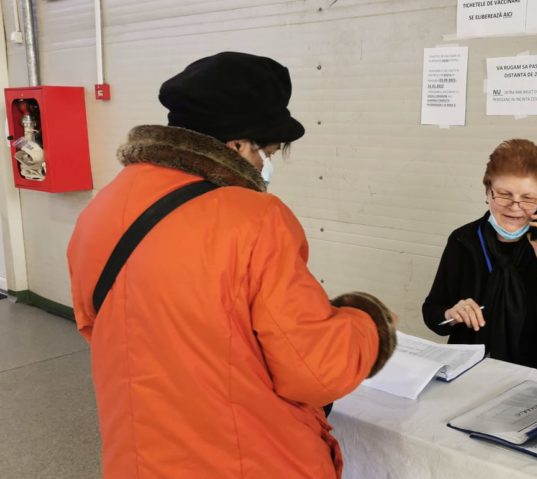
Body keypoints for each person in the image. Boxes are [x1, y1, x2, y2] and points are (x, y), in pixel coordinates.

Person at [67, 52, 397, 479]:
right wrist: (369, 321)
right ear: (238, 145)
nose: (266, 165)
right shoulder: (255, 219)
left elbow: (97, 323)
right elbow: (314, 371)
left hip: (137, 458)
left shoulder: (102, 208)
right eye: (269, 151)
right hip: (246, 460)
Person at [422, 139, 537, 382]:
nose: (515, 207)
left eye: (528, 198)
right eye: (504, 195)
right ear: (488, 192)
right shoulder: (464, 241)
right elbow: (434, 316)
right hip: (477, 375)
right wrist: (451, 313)